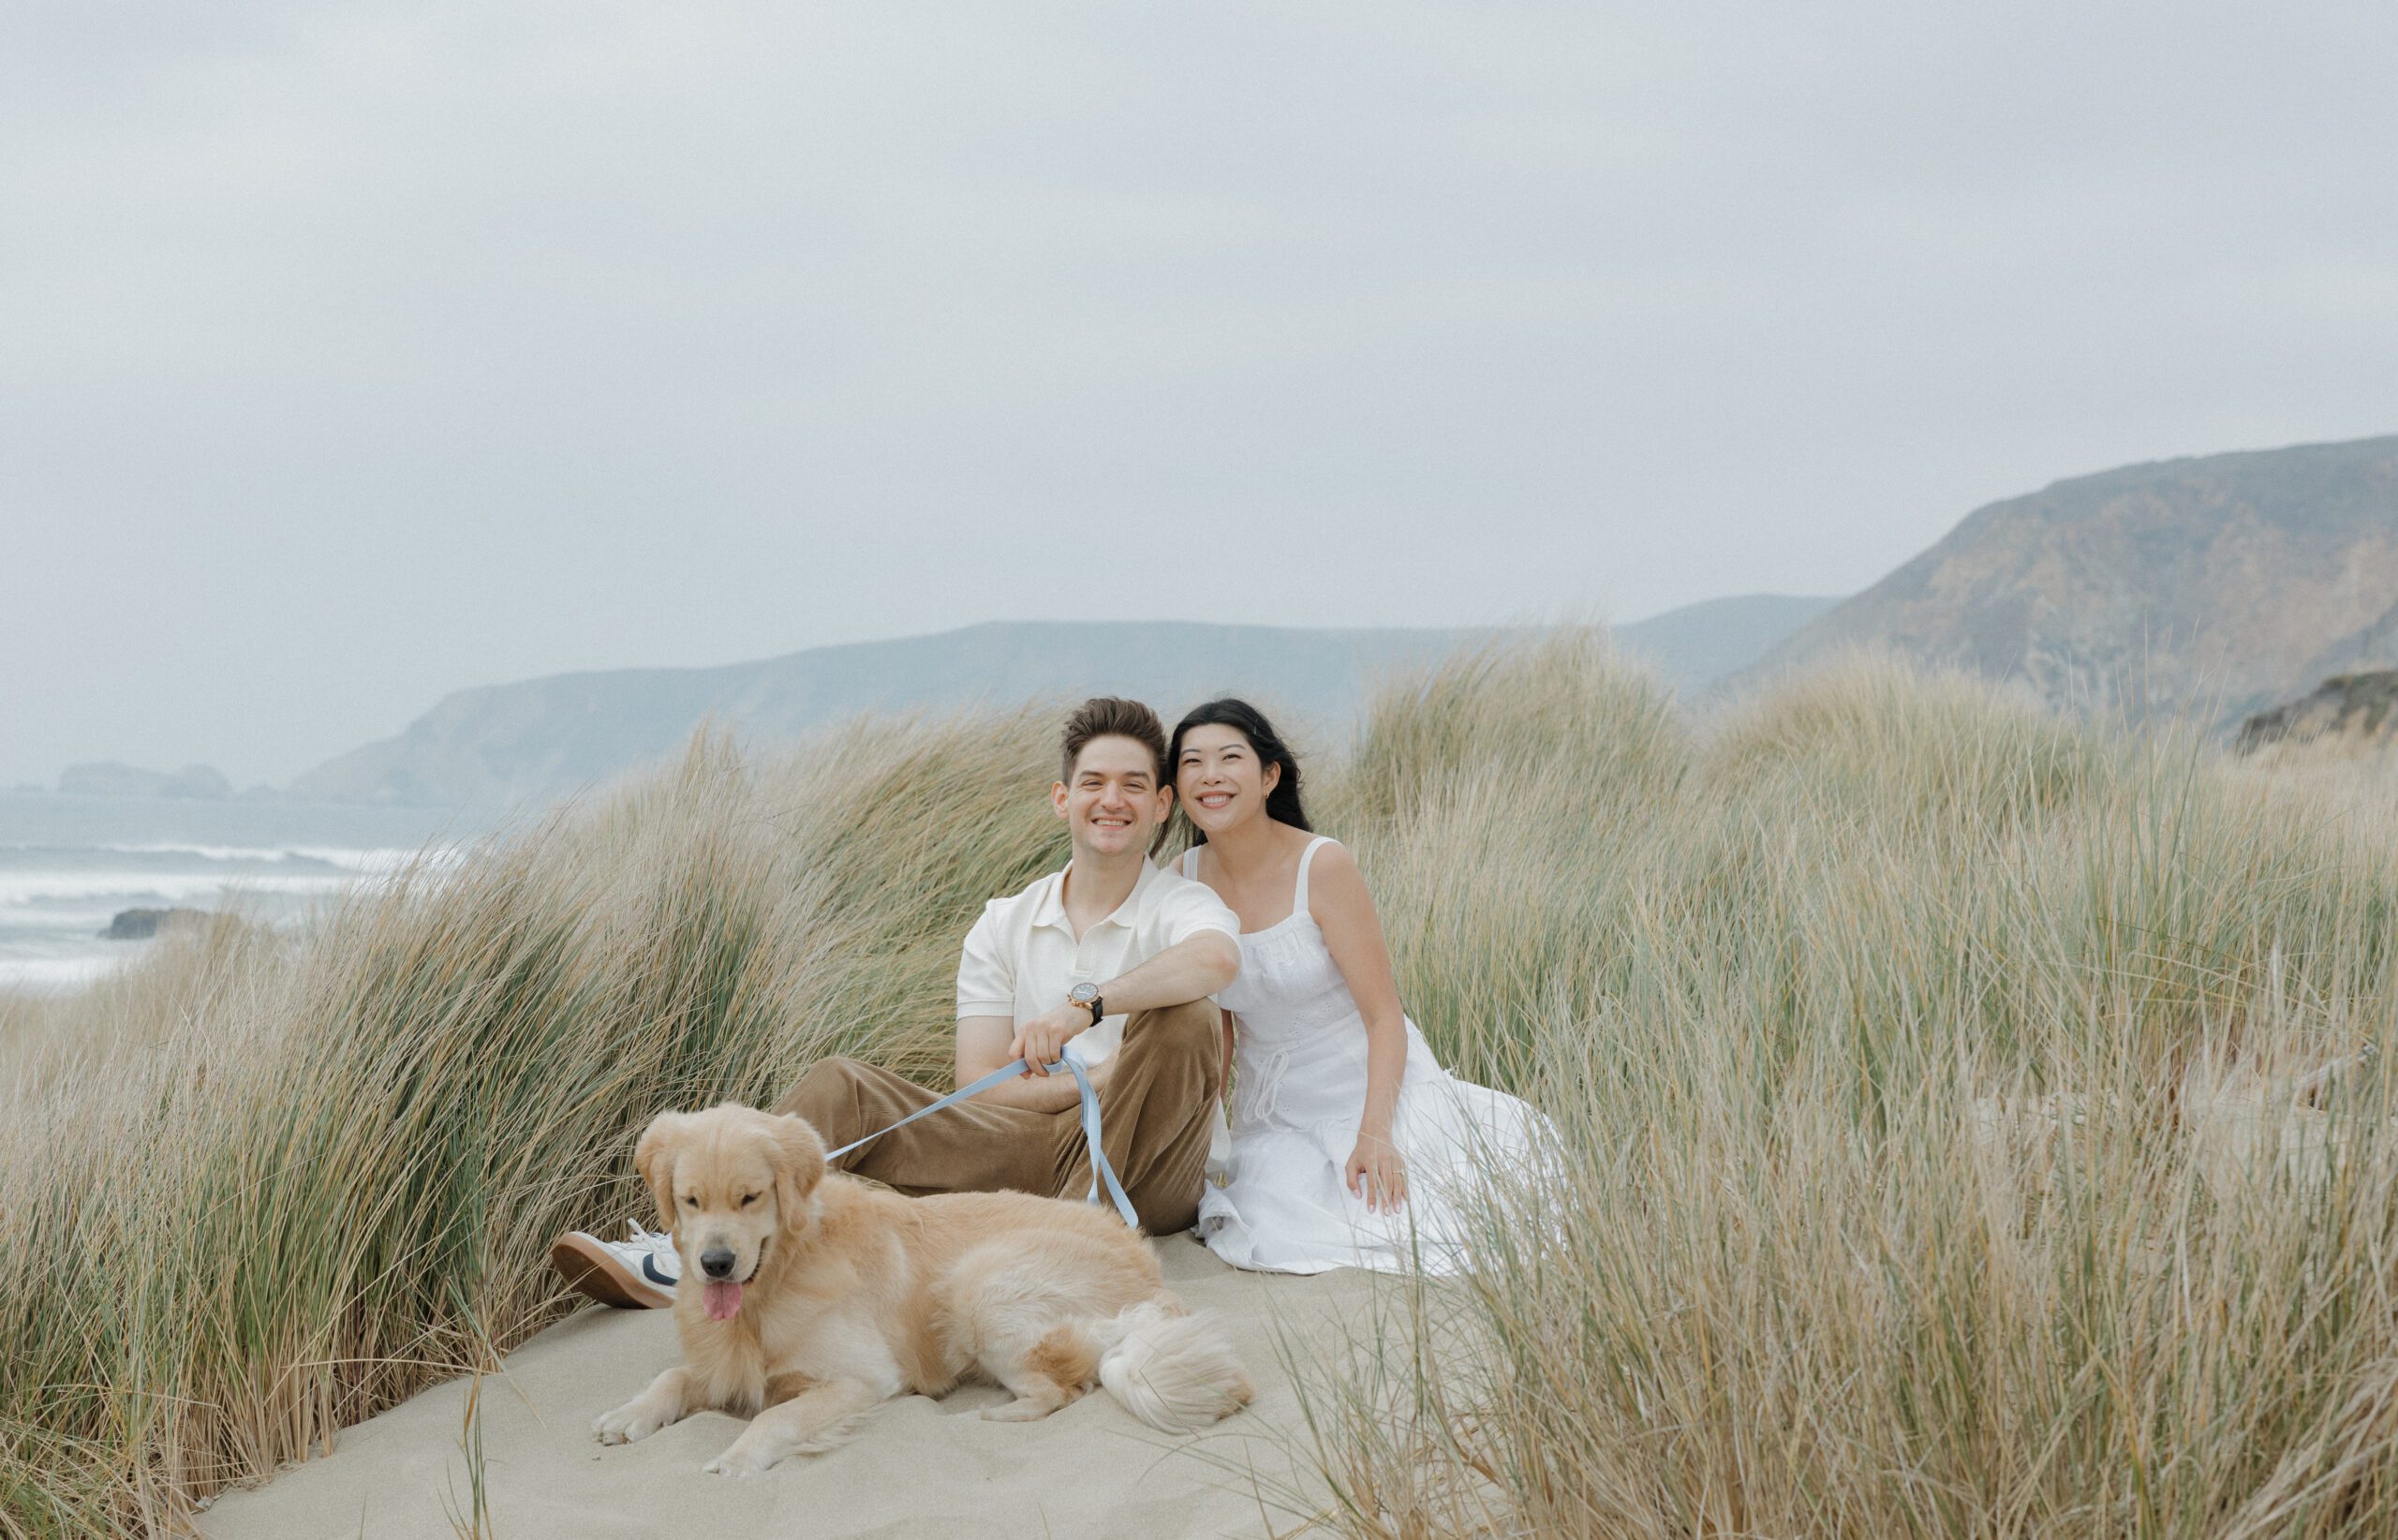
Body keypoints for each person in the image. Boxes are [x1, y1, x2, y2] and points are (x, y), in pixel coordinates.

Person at [551, 697, 1242, 1309]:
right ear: (1062, 799)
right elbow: (976, 1085)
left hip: (1148, 1171)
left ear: (1161, 805)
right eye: (1093, 782)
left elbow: (1216, 961)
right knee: (840, 1084)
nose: (1111, 799)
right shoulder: (1004, 920)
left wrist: (1086, 1008)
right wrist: (1092, 1080)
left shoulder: (1181, 904)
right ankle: (710, 1243)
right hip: (1035, 1145)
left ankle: (1067, 1238)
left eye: (1134, 785)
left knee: (1185, 1014)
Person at [1165, 698, 1551, 1275]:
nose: (1210, 775)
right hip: (1272, 1111)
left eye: (1229, 758)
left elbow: (1384, 1016)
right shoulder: (1184, 879)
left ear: (1269, 776)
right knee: (1269, 1222)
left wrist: (1376, 1135)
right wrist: (1202, 1136)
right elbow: (1219, 1029)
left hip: (1369, 1085)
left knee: (1414, 1221)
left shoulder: (1322, 865)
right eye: (1192, 762)